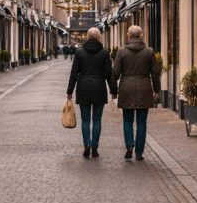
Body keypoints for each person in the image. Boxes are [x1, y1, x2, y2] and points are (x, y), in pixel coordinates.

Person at [112, 25, 160, 161]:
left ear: (128, 35)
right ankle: (139, 152)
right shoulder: (149, 52)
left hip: (126, 88)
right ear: (141, 35)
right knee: (142, 122)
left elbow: (115, 73)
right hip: (144, 89)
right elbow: (155, 73)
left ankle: (129, 145)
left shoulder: (121, 52)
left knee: (127, 120)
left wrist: (114, 91)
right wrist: (156, 91)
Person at [67, 27, 117, 158]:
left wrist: (69, 91)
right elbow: (109, 73)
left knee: (85, 120)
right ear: (99, 37)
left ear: (87, 37)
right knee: (96, 120)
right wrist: (113, 90)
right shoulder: (105, 53)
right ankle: (94, 146)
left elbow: (74, 73)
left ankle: (87, 145)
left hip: (83, 87)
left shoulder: (79, 53)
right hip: (99, 87)